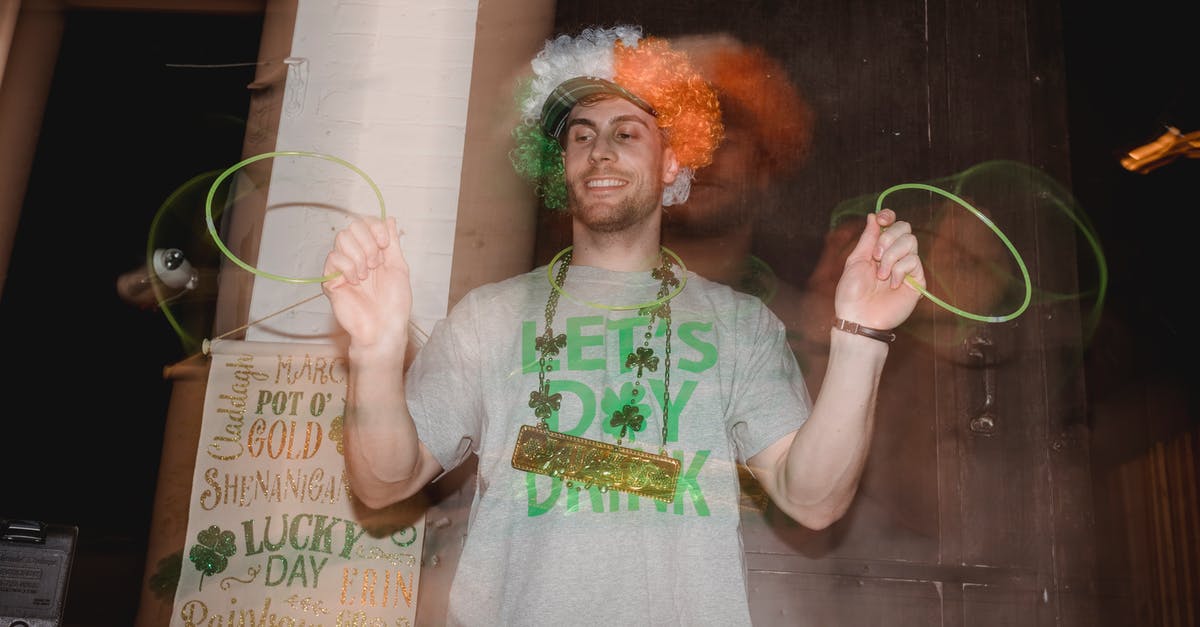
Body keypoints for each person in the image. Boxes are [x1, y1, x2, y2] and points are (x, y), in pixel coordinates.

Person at [321, 24, 924, 626]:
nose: (599, 151)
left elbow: (812, 499)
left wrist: (860, 338)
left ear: (671, 162)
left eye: (626, 132)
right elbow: (382, 484)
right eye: (581, 136)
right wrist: (374, 351)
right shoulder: (489, 316)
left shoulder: (739, 325)